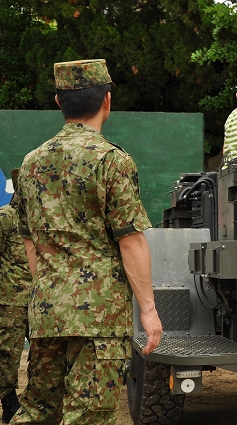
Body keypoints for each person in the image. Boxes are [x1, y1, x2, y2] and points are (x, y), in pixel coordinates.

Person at [10, 59, 162, 425]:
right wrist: (149, 310)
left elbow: (30, 244)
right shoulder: (112, 160)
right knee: (88, 416)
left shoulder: (31, 163)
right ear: (106, 101)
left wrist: (49, 290)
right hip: (99, 319)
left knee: (38, 411)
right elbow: (131, 241)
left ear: (60, 102)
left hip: (46, 310)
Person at [0, 170, 31, 424]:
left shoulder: (43, 220)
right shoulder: (5, 218)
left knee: (45, 355)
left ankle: (36, 401)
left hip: (43, 300)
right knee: (7, 355)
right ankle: (8, 399)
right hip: (11, 301)